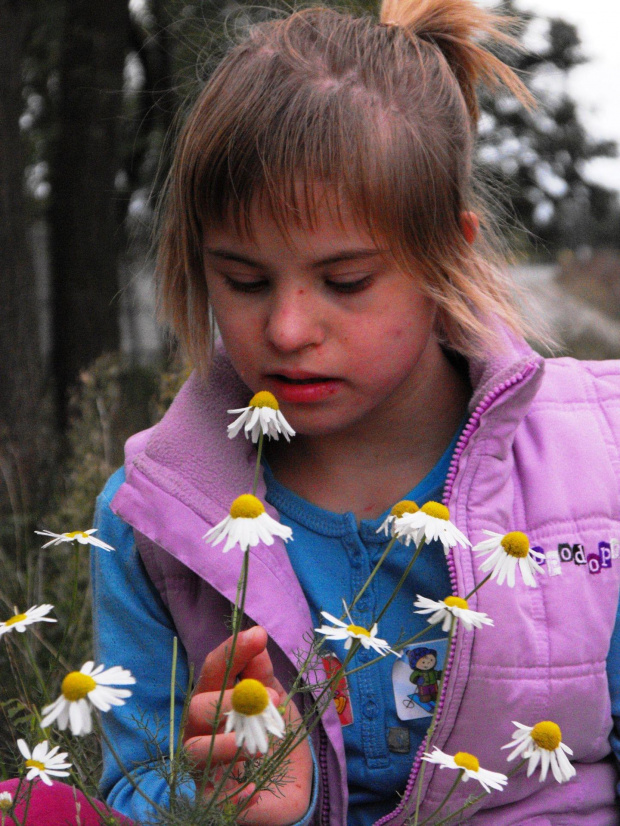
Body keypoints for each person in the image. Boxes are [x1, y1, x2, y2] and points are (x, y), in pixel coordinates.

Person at [90, 0, 620, 824]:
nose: (288, 330)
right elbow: (129, 782)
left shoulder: (602, 462)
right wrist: (236, 808)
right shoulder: (150, 523)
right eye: (244, 279)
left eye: (346, 282)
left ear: (451, 250)